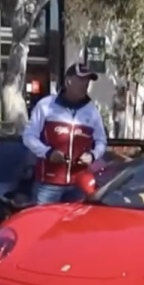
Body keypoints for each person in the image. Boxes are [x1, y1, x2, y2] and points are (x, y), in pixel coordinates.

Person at [22, 63, 107, 205]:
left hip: (79, 185)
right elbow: (29, 136)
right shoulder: (46, 106)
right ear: (68, 81)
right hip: (48, 184)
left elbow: (101, 141)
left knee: (76, 227)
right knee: (44, 225)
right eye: (81, 80)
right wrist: (48, 153)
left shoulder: (92, 112)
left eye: (87, 81)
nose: (85, 84)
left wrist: (92, 155)